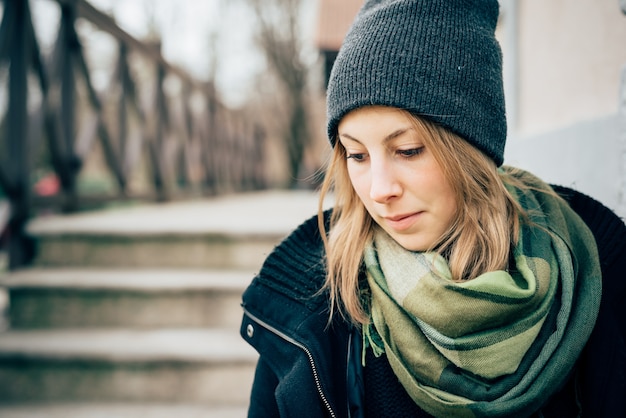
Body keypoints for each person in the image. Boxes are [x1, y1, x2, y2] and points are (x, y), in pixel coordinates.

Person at [240, 0, 626, 416]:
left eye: (407, 150)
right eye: (356, 155)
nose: (380, 190)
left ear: (470, 146)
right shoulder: (312, 298)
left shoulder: (598, 262)